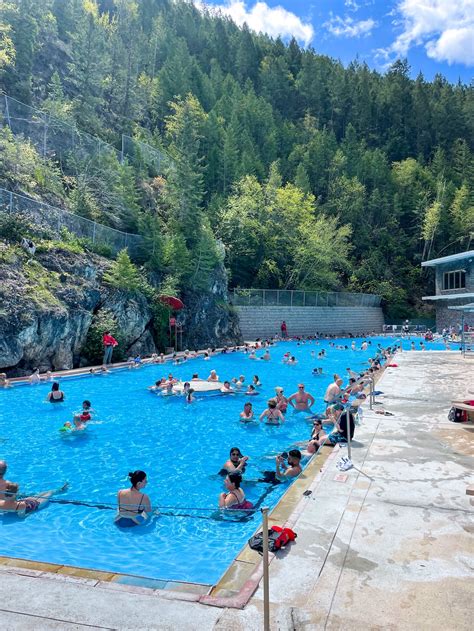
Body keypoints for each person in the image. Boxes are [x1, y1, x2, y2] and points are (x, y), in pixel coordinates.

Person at [0, 481, 68, 516]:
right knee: (49, 493)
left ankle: (61, 489)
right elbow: (22, 516)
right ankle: (61, 490)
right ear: (15, 494)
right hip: (35, 504)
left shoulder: (1, 503)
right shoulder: (20, 505)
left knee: (45, 492)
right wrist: (30, 513)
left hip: (26, 501)